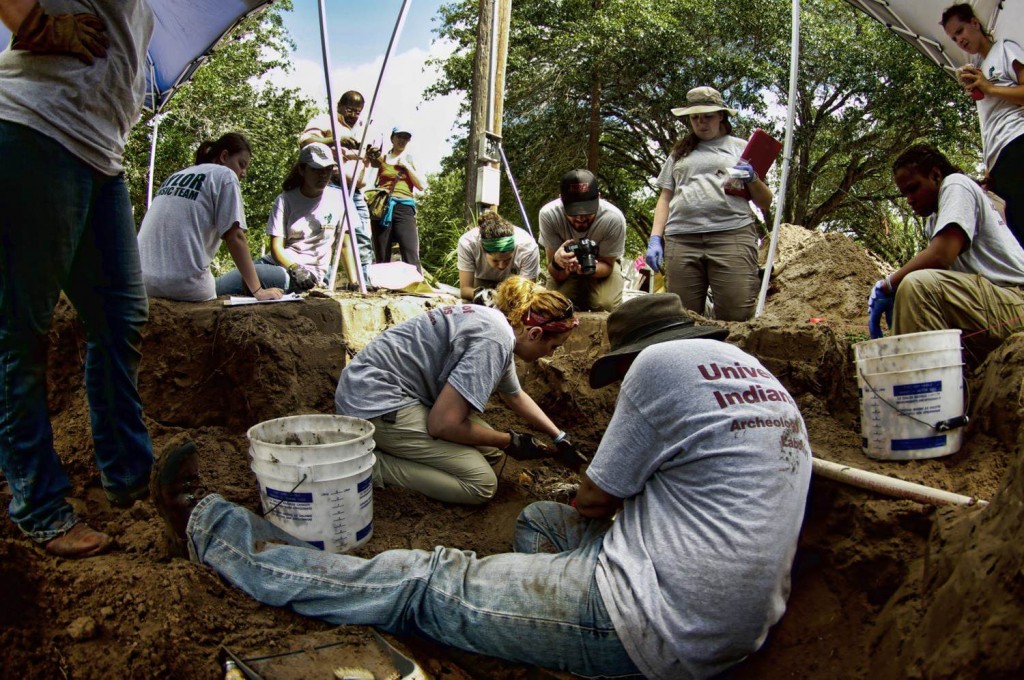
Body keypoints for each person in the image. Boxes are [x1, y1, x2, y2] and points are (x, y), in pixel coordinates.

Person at [152, 293, 812, 679]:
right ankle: (531, 619)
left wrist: (558, 453)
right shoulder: (757, 377)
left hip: (655, 623)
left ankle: (213, 531)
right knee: (540, 525)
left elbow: (594, 498)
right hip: (732, 622)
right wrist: (534, 445)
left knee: (425, 580)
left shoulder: (659, 366)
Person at [0, 0, 155, 558]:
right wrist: (35, 22)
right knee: (21, 330)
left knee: (120, 317)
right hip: (35, 130)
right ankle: (39, 504)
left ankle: (130, 477)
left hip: (101, 159)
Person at [334, 276, 581, 505]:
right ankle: (369, 466)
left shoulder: (498, 324)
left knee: (490, 450)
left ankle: (402, 449)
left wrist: (558, 436)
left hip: (381, 388)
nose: (551, 355)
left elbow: (514, 395)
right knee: (481, 483)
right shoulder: (494, 340)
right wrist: (508, 440)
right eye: (554, 347)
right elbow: (442, 424)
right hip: (373, 403)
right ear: (536, 333)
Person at [867, 144, 1024, 361]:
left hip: (1015, 302)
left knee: (918, 285)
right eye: (904, 194)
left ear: (935, 175)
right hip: (998, 305)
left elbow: (941, 255)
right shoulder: (934, 220)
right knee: (915, 289)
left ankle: (925, 390)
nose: (909, 200)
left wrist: (888, 284)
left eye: (913, 189)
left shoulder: (956, 184)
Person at [644, 86, 773, 321]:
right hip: (682, 238)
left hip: (731, 234)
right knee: (683, 316)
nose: (701, 123)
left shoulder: (741, 147)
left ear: (721, 115)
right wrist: (655, 238)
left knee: (737, 313)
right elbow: (665, 196)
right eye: (695, 117)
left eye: (708, 117)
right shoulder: (679, 153)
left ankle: (732, 357)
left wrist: (753, 178)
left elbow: (765, 201)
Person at [137, 133, 286, 302]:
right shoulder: (225, 175)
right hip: (185, 287)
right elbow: (235, 237)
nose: (243, 173)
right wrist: (258, 291)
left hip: (141, 282)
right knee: (279, 277)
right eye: (241, 164)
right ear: (224, 156)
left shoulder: (176, 176)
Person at [941, 4, 1024, 248]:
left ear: (975, 23)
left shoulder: (1005, 49)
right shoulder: (978, 68)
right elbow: (989, 121)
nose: (959, 40)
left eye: (961, 30)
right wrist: (989, 166)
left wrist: (989, 87)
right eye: (953, 37)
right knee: (1017, 230)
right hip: (999, 159)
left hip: (1017, 142)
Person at [235, 143, 355, 292]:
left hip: (308, 276)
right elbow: (276, 247)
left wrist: (354, 281)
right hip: (284, 267)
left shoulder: (340, 199)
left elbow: (345, 245)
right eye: (316, 169)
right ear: (302, 170)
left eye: (328, 169)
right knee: (228, 282)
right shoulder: (285, 200)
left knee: (248, 276)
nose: (323, 175)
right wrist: (295, 268)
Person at [300, 90, 374, 285]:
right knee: (332, 233)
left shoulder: (363, 129)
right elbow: (305, 142)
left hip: (356, 189)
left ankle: (363, 282)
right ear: (339, 106)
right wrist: (334, 140)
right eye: (349, 110)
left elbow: (373, 161)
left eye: (358, 112)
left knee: (363, 234)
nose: (353, 115)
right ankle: (322, 279)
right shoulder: (326, 121)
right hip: (333, 184)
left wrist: (373, 156)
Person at [539, 169, 626, 312]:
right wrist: (557, 261)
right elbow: (554, 271)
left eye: (587, 211)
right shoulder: (548, 215)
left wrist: (588, 269)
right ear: (561, 199)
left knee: (606, 304)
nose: (580, 218)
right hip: (565, 268)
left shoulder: (613, 218)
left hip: (600, 265)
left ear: (598, 197)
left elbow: (608, 266)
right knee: (553, 305)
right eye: (573, 212)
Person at [368, 125, 424, 270]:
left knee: (410, 249)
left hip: (405, 206)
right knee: (381, 250)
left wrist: (407, 167)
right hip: (383, 206)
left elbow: (421, 185)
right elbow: (371, 182)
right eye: (399, 136)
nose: (402, 140)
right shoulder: (382, 159)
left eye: (406, 137)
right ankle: (382, 285)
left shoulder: (410, 159)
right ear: (392, 138)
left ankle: (415, 283)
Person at [457, 211, 540, 302]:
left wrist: (504, 300)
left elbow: (526, 293)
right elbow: (465, 290)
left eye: (507, 260)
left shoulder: (528, 248)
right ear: (482, 249)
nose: (501, 266)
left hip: (516, 283)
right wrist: (483, 296)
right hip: (482, 280)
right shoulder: (468, 244)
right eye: (495, 261)